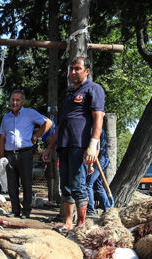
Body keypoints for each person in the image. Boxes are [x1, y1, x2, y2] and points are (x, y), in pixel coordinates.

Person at [43, 57, 104, 230]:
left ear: (87, 71)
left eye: (77, 68)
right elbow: (62, 124)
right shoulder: (70, 93)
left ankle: (81, 224)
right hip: (64, 145)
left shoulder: (93, 89)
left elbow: (98, 117)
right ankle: (68, 222)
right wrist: (50, 147)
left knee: (78, 184)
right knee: (66, 186)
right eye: (71, 69)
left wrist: (93, 143)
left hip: (80, 144)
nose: (73, 72)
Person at [0, 90, 52, 219]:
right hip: (9, 154)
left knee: (27, 183)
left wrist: (36, 135)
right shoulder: (6, 117)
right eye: (13, 100)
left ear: (23, 102)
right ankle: (15, 210)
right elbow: (2, 137)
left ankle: (26, 211)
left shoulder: (30, 113)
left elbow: (49, 123)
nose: (15, 102)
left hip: (25, 153)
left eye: (18, 100)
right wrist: (1, 157)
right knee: (12, 185)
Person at [85, 129, 111, 216]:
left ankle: (89, 210)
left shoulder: (94, 129)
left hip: (99, 160)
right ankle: (107, 209)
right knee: (98, 185)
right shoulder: (98, 128)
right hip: (104, 159)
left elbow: (96, 148)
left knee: (88, 183)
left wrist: (91, 165)